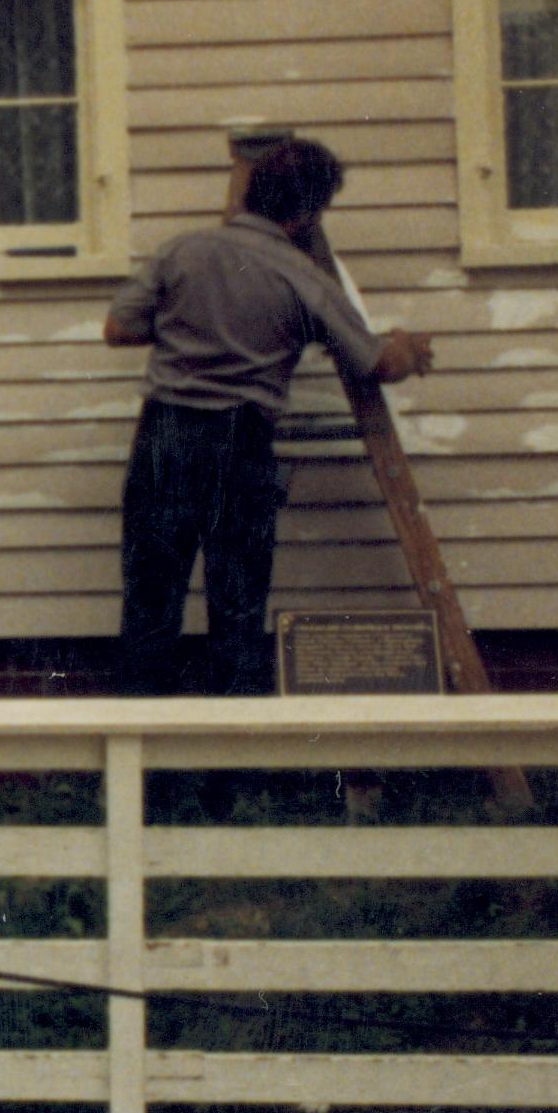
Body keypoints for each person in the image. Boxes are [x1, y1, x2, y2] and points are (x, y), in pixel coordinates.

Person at [100, 138, 433, 697]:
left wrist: (191, 332)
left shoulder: (183, 251)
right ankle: (228, 776)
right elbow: (377, 363)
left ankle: (145, 776)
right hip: (239, 441)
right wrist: (409, 347)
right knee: (237, 609)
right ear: (309, 213)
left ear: (250, 192)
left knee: (149, 606)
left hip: (164, 436)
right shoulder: (304, 279)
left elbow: (118, 329)